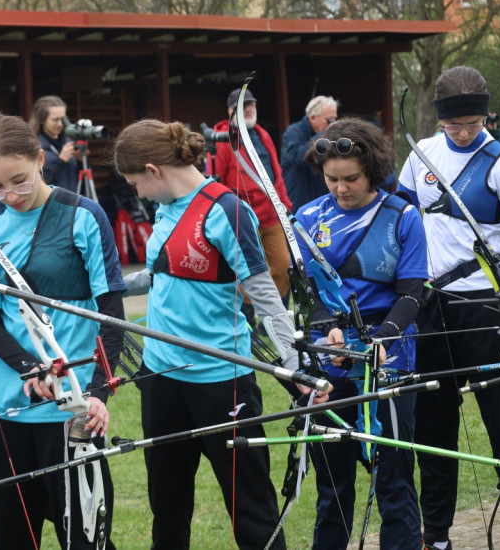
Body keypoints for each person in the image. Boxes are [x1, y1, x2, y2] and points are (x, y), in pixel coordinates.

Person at [112, 119, 324, 550]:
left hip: (220, 380)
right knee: (167, 505)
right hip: (161, 377)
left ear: (153, 170)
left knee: (250, 507)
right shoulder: (166, 205)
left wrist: (294, 365)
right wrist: (105, 285)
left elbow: (264, 293)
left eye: (135, 182)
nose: (137, 192)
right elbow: (162, 272)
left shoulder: (225, 209)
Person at [397, 66, 500, 550]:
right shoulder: (422, 153)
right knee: (434, 428)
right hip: (432, 306)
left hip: (487, 306)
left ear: (486, 115)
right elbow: (397, 220)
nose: (462, 132)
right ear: (439, 119)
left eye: (473, 123)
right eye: (453, 124)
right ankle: (436, 536)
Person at [0, 114, 125, 549]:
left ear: (41, 159)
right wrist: (28, 367)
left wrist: (95, 395)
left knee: (88, 538)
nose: (9, 196)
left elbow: (112, 318)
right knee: (13, 540)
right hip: (6, 414)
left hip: (71, 413)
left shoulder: (84, 215)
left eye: (19, 181)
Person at [294, 119, 427, 550]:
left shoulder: (402, 216)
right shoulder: (309, 217)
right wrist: (325, 328)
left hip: (390, 359)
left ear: (372, 169)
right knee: (332, 488)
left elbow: (412, 292)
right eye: (331, 178)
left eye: (350, 178)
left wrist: (383, 339)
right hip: (329, 361)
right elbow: (308, 292)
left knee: (393, 479)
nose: (340, 188)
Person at [213, 86, 293, 309]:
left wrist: (285, 206)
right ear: (231, 111)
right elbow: (217, 182)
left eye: (251, 105)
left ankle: (274, 316)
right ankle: (247, 317)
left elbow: (277, 174)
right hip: (243, 217)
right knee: (244, 270)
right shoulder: (222, 139)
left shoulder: (262, 134)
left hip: (271, 214)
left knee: (283, 266)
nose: (248, 109)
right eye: (242, 106)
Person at [281, 95, 339, 208]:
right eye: (329, 120)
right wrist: (324, 136)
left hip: (322, 197)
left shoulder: (325, 134)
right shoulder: (293, 132)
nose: (331, 124)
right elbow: (296, 157)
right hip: (299, 200)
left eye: (334, 119)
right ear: (312, 118)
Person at [29, 95, 81, 192]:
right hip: (51, 203)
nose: (60, 124)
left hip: (74, 201)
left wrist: (81, 160)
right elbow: (37, 182)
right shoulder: (34, 146)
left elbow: (83, 179)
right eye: (55, 120)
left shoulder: (69, 140)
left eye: (63, 119)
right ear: (42, 120)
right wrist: (60, 160)